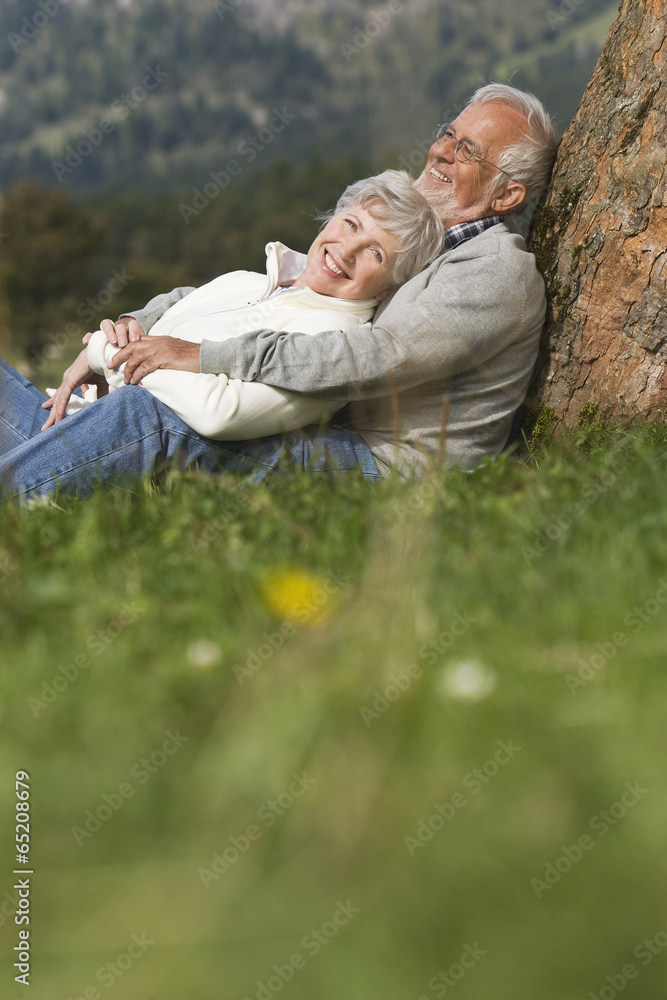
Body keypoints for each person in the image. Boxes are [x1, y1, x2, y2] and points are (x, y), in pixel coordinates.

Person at [94, 83, 559, 477]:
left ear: (507, 195)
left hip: (389, 468)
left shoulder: (496, 272)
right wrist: (138, 324)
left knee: (155, 419)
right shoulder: (425, 235)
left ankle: (42, 506)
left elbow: (379, 357)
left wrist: (202, 356)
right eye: (449, 134)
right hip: (335, 431)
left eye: (468, 151)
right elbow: (281, 285)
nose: (441, 152)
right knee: (119, 406)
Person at [0, 173, 443, 502]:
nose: (347, 250)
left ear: (386, 288)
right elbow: (159, 330)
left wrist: (105, 355)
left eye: (375, 253)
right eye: (351, 224)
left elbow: (217, 413)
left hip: (116, 452)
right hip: (75, 423)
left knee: (138, 406)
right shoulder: (245, 280)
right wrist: (124, 330)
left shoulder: (335, 341)